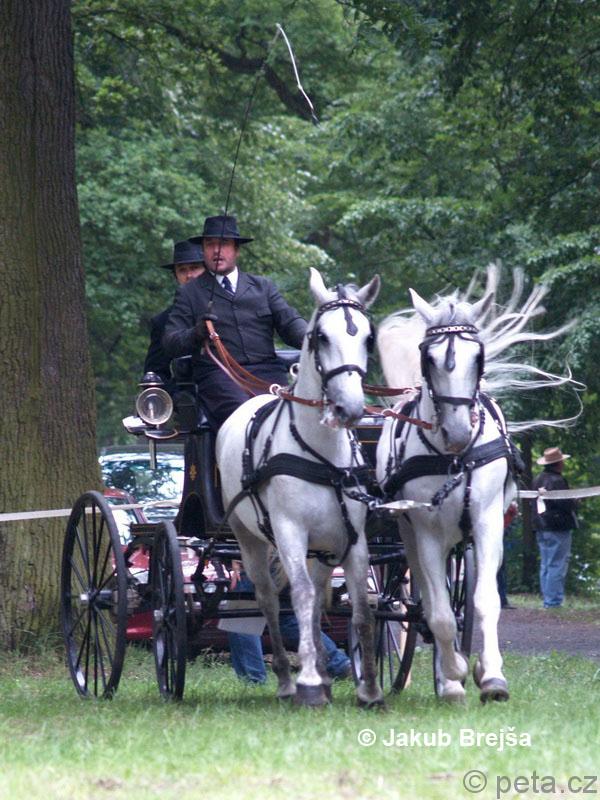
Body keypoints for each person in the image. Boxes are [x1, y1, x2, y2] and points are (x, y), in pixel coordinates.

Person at [162, 214, 307, 428]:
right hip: (220, 377)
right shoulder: (189, 293)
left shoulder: (263, 287)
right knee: (249, 418)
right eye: (210, 244)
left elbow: (291, 324)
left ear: (236, 249)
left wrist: (317, 338)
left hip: (269, 375)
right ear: (203, 250)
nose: (216, 250)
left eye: (224, 244)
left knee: (299, 416)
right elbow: (170, 342)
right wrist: (196, 333)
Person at [143, 239, 205, 394]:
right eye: (182, 270)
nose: (189, 275)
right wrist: (179, 397)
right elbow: (155, 374)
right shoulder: (163, 322)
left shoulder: (230, 307)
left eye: (195, 268)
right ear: (175, 276)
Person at [532, 447, 578, 608]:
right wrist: (575, 502)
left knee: (546, 564)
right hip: (558, 527)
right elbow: (565, 504)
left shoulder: (538, 479)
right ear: (558, 463)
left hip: (541, 525)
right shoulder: (558, 481)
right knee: (557, 565)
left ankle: (548, 599)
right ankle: (553, 601)